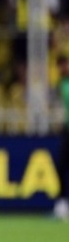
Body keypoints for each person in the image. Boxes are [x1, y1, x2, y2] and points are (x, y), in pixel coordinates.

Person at [53, 55, 69, 220]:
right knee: (61, 167)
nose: (63, 69)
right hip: (67, 130)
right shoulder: (63, 84)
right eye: (61, 66)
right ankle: (62, 205)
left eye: (64, 65)